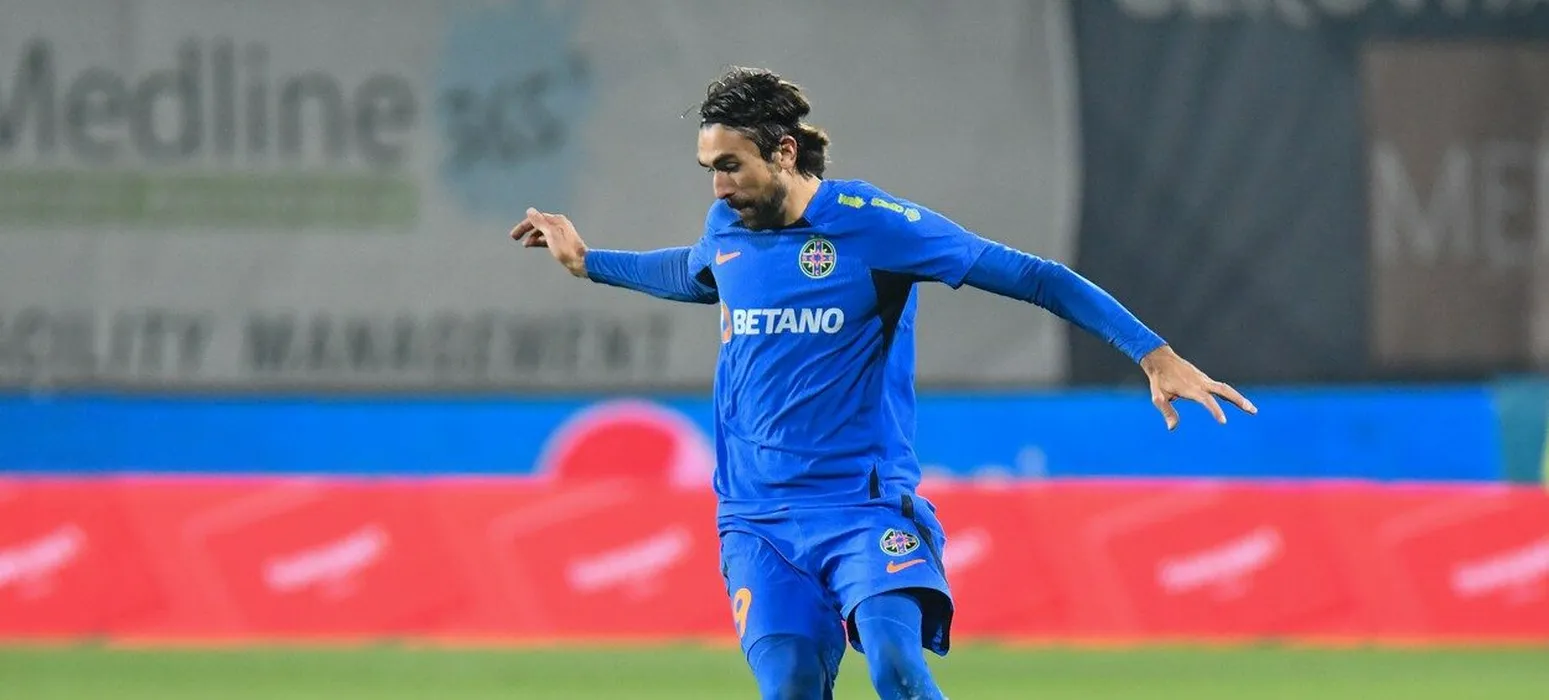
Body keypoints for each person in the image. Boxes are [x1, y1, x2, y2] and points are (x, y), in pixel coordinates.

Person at [510, 67, 1256, 700]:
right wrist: (589, 262)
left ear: (784, 151)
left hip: (862, 507)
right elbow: (694, 273)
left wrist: (1152, 354)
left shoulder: (875, 226)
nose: (717, 184)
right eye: (709, 166)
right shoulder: (728, 227)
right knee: (789, 685)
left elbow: (1034, 276)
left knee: (895, 667)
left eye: (730, 165)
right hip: (757, 519)